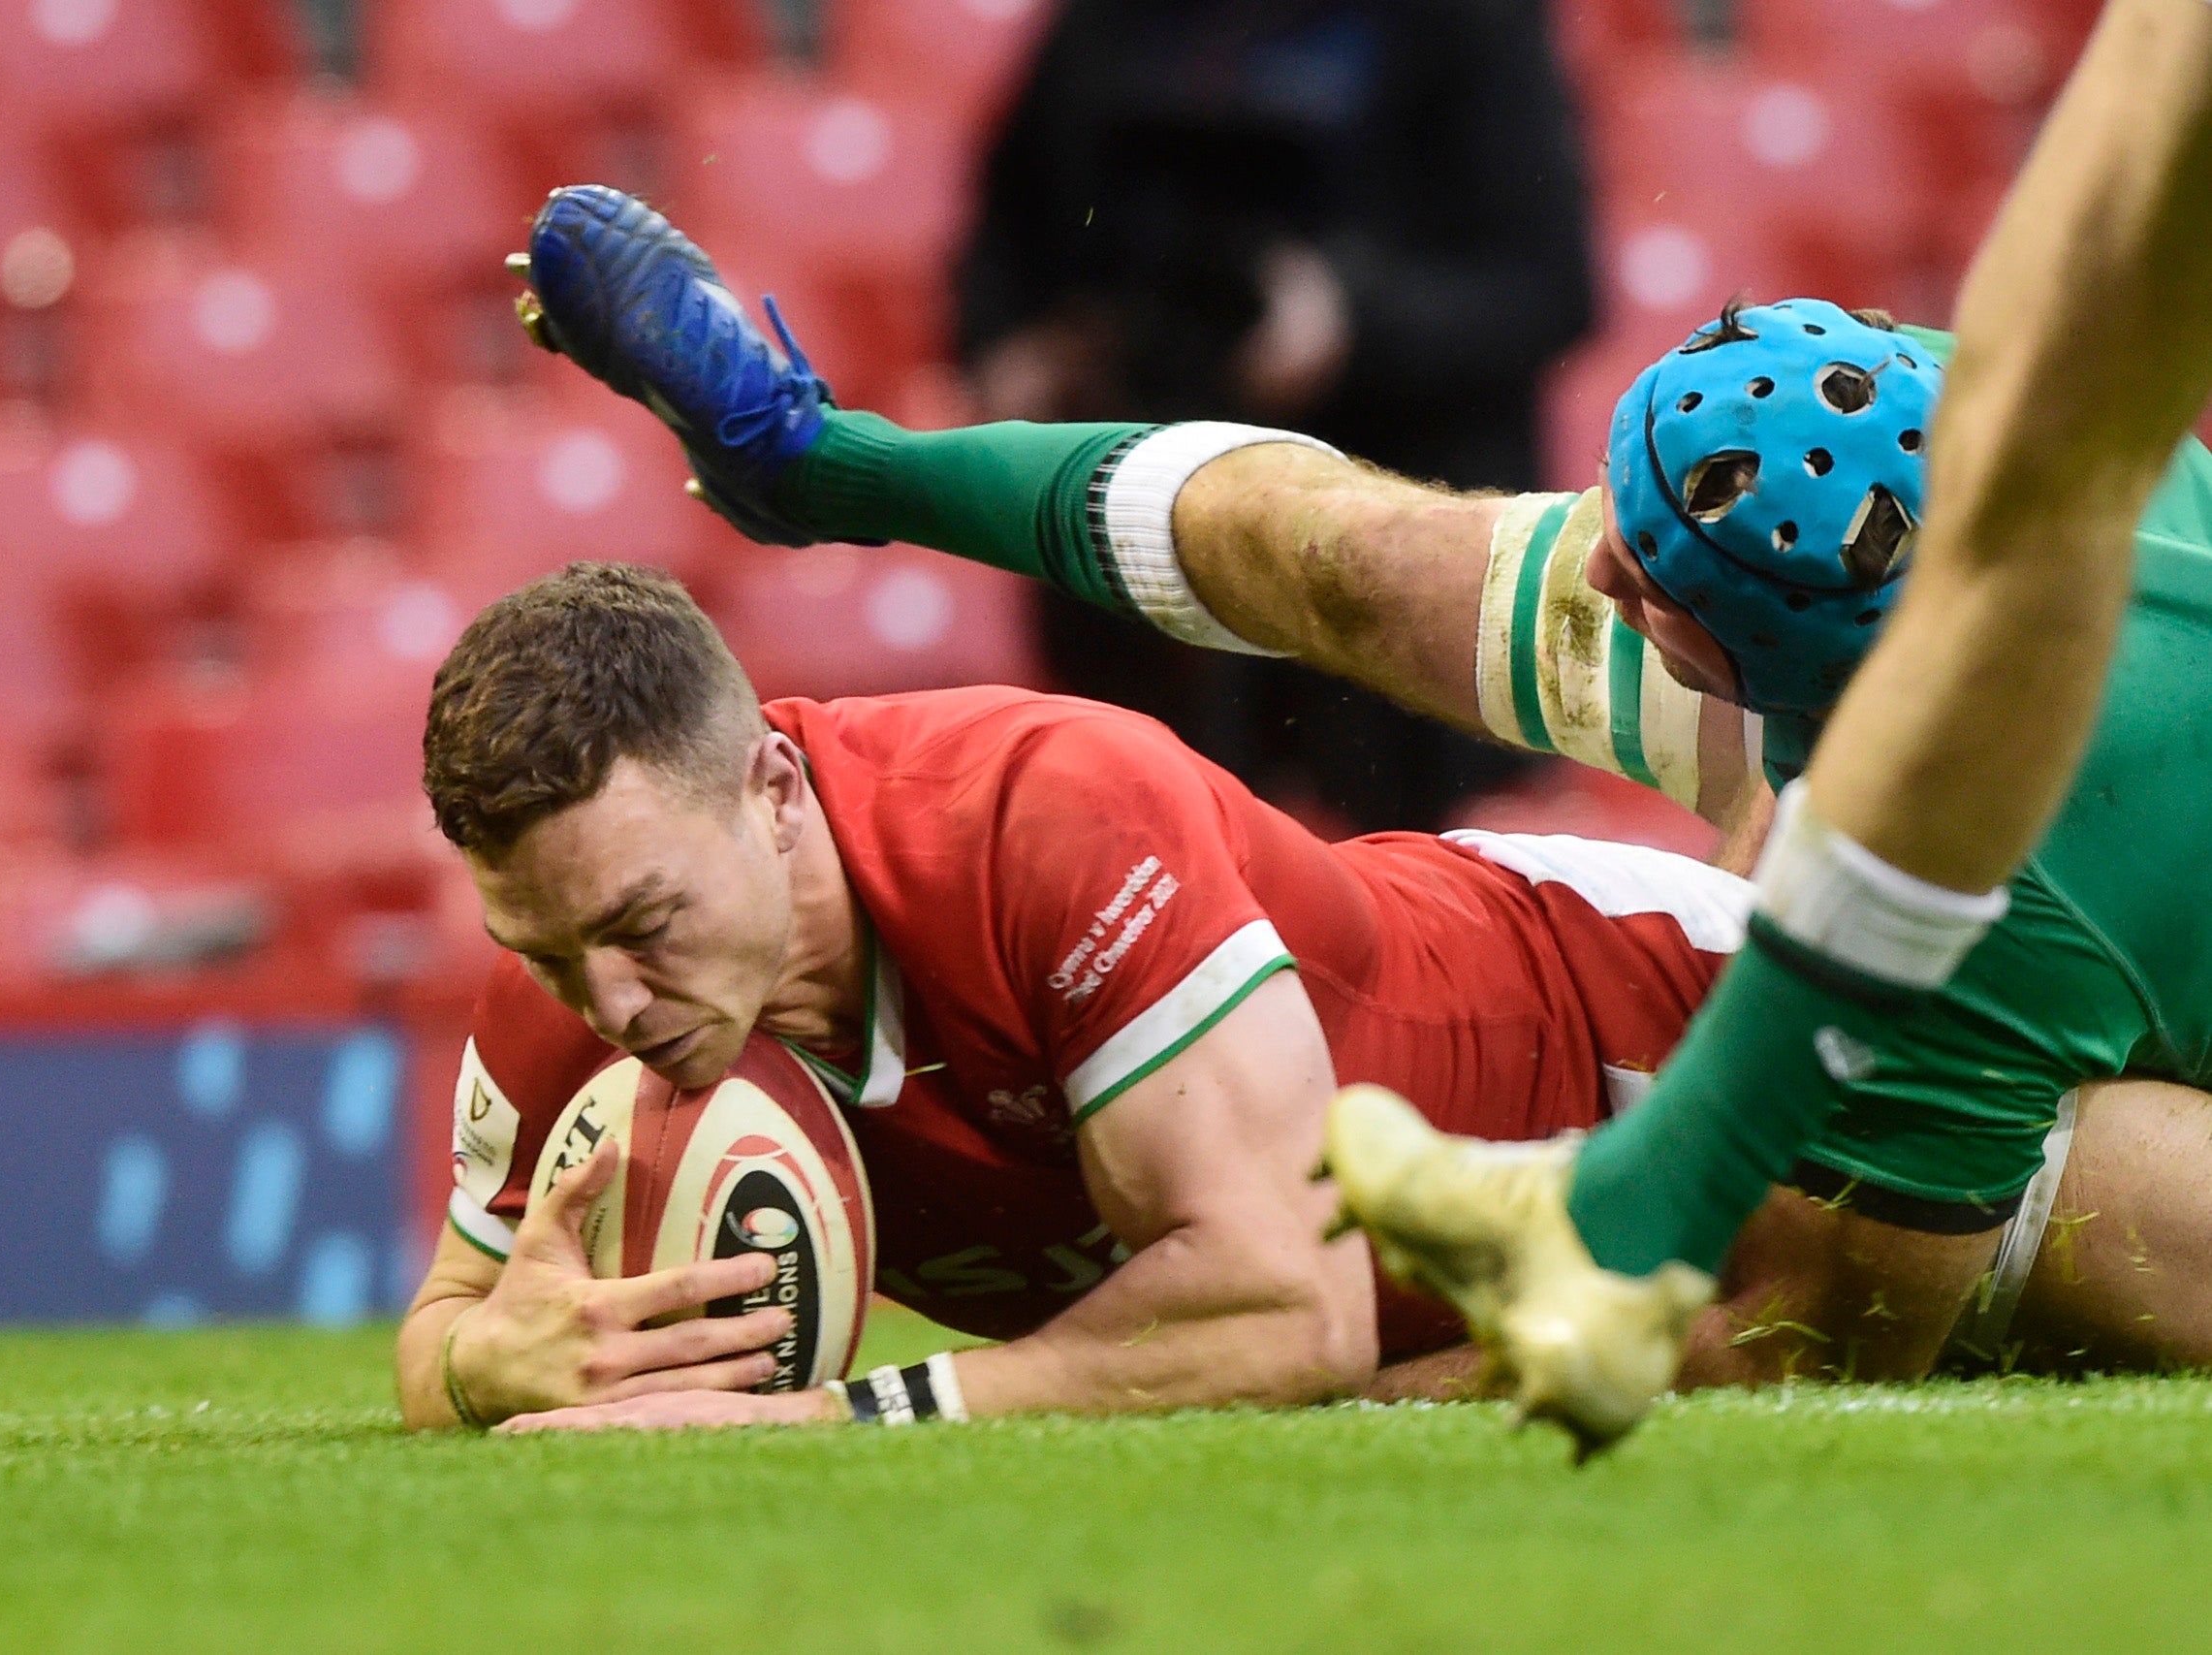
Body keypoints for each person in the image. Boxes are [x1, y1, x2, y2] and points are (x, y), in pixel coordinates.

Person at [490, 55, 2212, 1439]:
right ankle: (825, 463)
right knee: (1358, 563)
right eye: (1630, 513)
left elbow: (1788, 1335)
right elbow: (1325, 543)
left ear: (1811, 703)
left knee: (2067, 1227)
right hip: (2054, 739)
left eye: (1648, 575)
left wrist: (1321, 1411)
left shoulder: (1977, 914)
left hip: (2076, 888)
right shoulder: (1887, 417)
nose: (1597, 559)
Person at [395, 561, 1748, 1432]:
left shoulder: (1043, 815)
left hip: (1682, 1030)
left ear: (775, 789)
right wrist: (487, 1365)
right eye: (550, 948)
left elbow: (1286, 1306)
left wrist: (834, 1423)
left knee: (1900, 1331)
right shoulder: (572, 971)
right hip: (1474, 1300)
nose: (610, 1000)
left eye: (644, 924)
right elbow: (448, 1317)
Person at [953, 0, 1594, 834]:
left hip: (1390, 585)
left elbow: (1548, 288)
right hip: (1148, 541)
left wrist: (1349, 318)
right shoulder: (1107, 24)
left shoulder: (1466, 25)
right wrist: (1015, 349)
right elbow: (1014, 225)